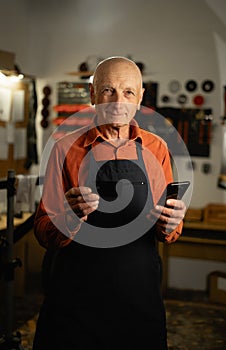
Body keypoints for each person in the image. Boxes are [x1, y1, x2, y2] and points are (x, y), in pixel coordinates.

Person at [33, 56, 186, 350]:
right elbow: (42, 230)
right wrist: (70, 216)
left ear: (140, 98)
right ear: (93, 95)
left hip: (137, 296)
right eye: (108, 90)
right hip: (75, 299)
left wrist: (170, 222)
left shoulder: (157, 149)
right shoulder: (65, 149)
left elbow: (168, 231)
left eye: (128, 92)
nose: (118, 101)